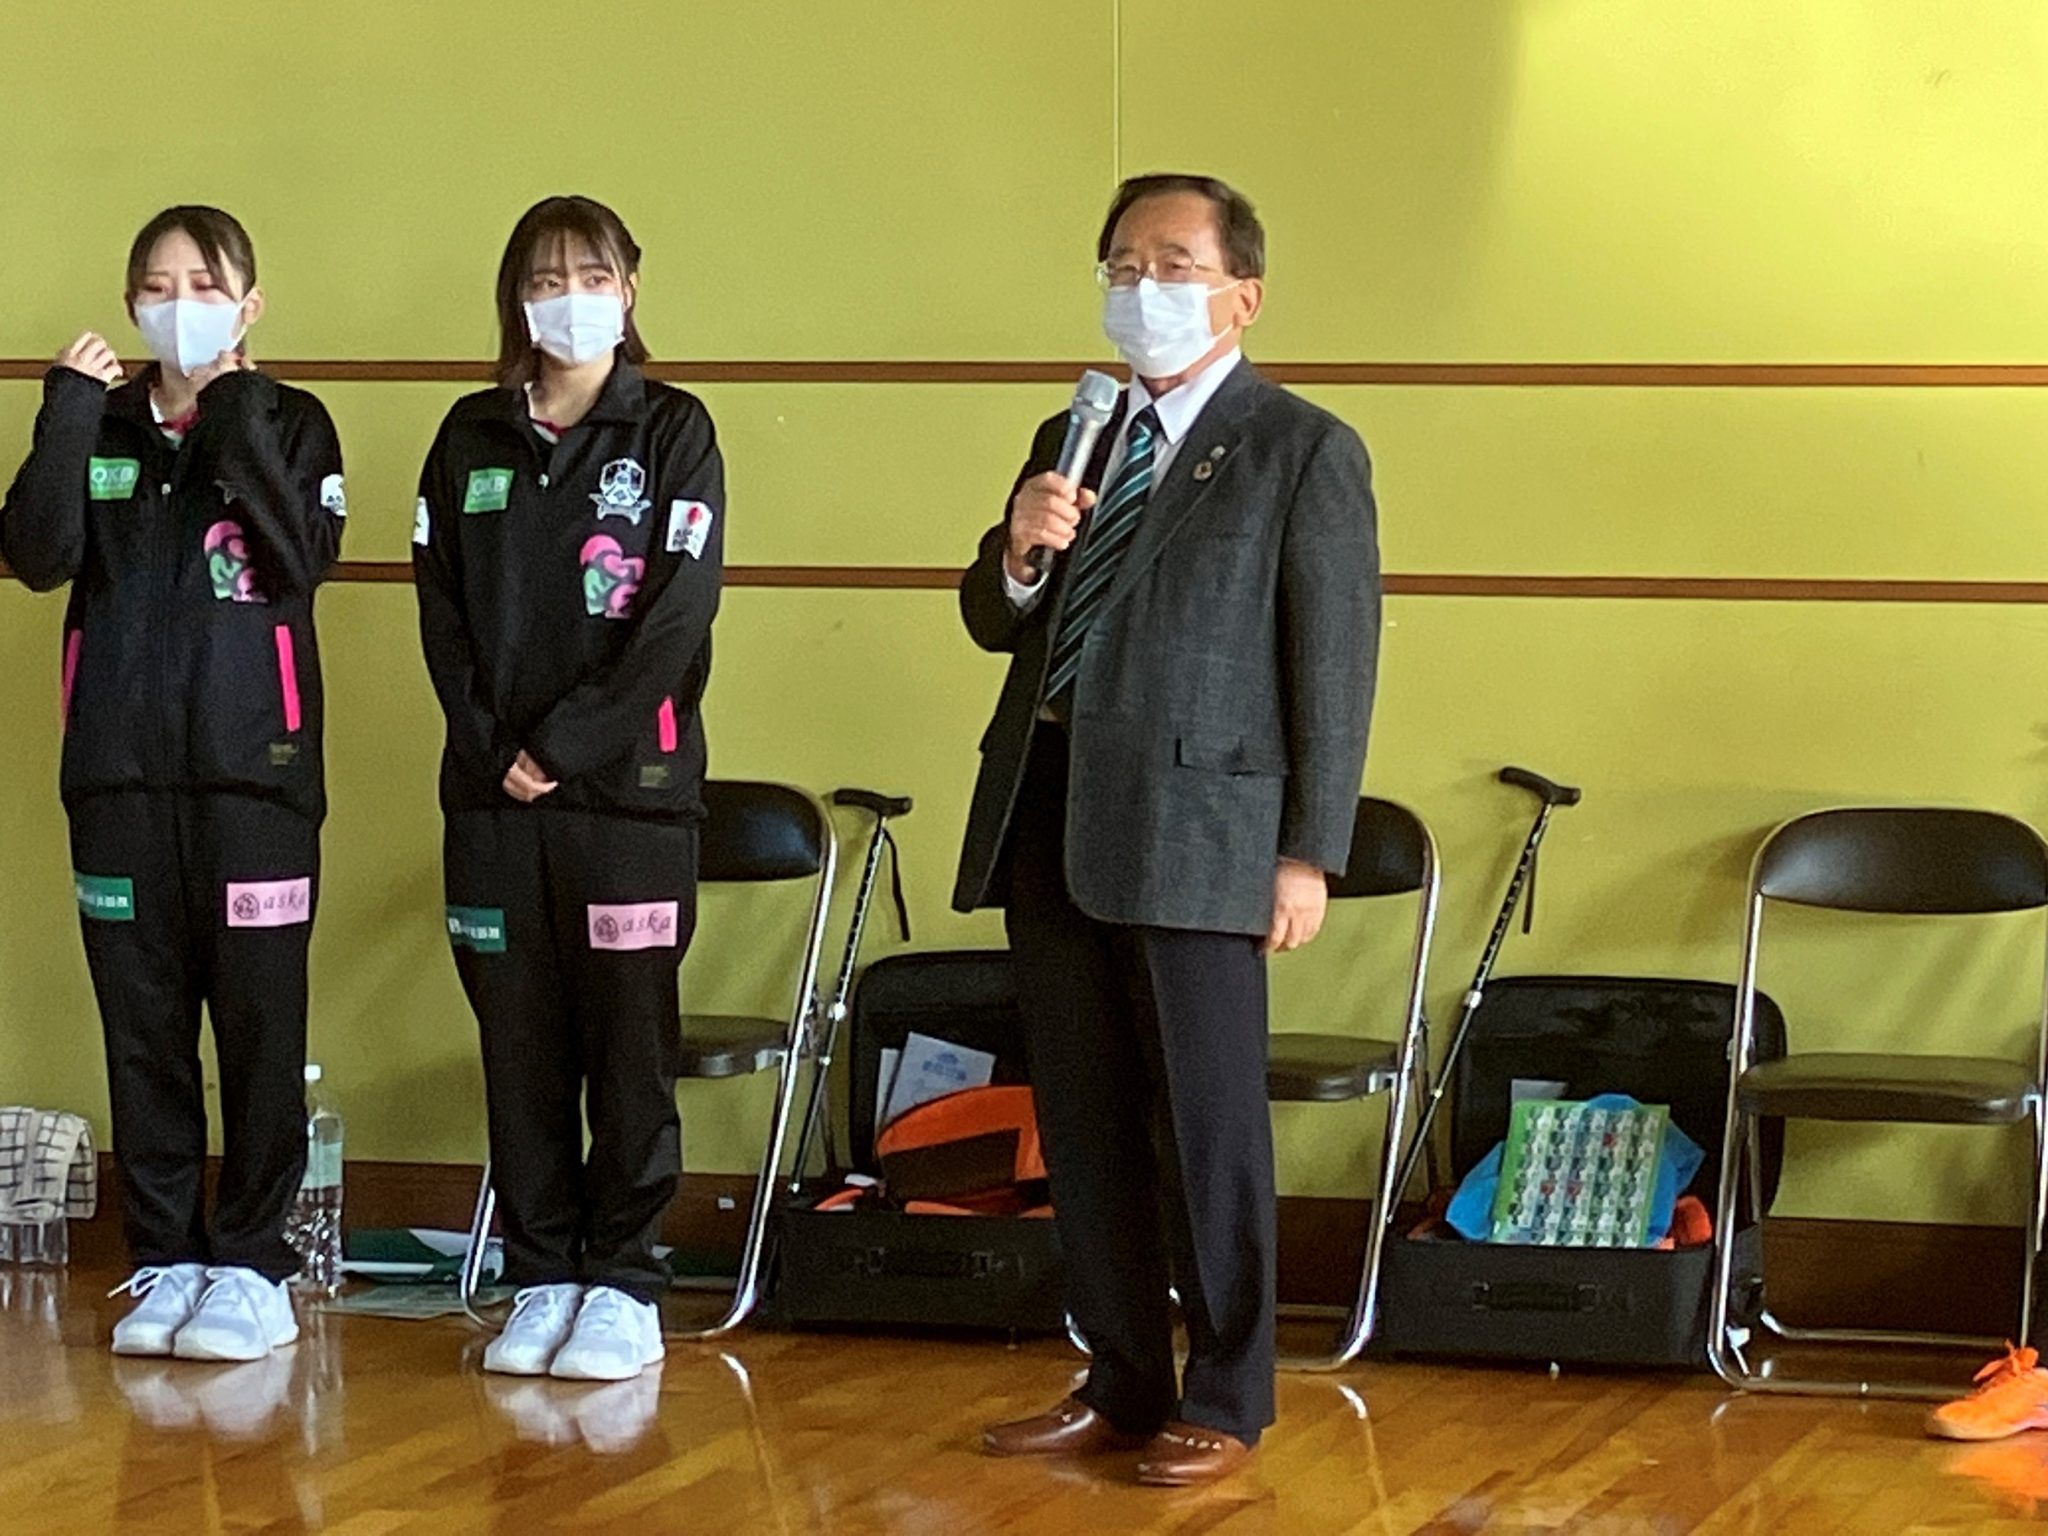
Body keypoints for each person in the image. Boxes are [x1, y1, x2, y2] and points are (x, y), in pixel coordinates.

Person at [955, 174, 1380, 1486]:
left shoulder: (1300, 448)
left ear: (1242, 295)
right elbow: (994, 618)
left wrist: (1305, 851)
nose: (1145, 288)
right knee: (1083, 1126)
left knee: (1206, 1130)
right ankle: (1121, 1376)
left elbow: (1333, 664)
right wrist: (1018, 551)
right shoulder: (1071, 431)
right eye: (1124, 264)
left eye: (1175, 265)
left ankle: (1230, 1393)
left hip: (1204, 829)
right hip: (1051, 808)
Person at [0, 206, 346, 1361]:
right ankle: (164, 1257)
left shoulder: (291, 422)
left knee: (258, 1027)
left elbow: (299, 560)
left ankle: (253, 1266)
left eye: (204, 284)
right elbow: (37, 555)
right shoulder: (99, 424)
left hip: (258, 783)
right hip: (116, 780)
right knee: (143, 1031)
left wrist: (232, 408)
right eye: (157, 285)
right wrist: (64, 410)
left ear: (249, 305)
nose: (178, 304)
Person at [413, 195, 724, 1382]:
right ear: (516, 299)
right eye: (545, 279)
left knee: (628, 1051)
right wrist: (493, 743)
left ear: (628, 290)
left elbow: (677, 616)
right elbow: (441, 609)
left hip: (626, 801)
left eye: (591, 276)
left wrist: (567, 745)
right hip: (491, 800)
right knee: (520, 1046)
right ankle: (541, 1273)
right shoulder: (469, 435)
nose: (569, 298)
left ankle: (625, 1280)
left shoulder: (673, 430)